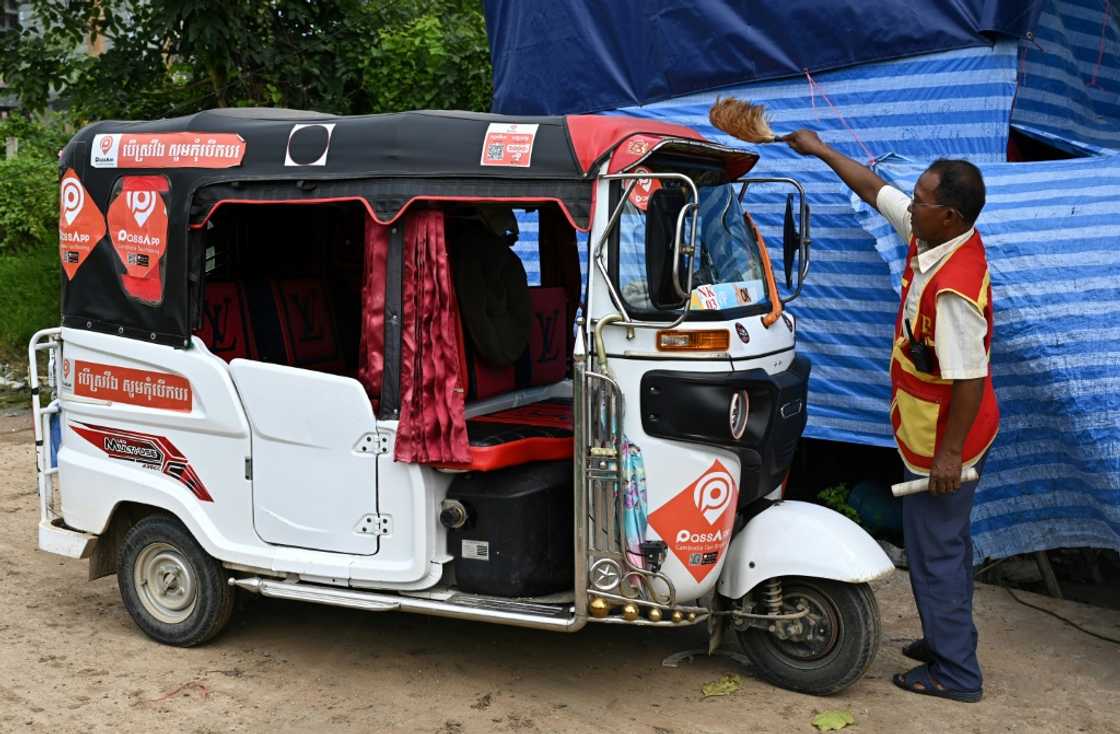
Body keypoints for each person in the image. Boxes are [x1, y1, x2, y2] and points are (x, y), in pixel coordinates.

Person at [785, 129, 999, 703]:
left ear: (949, 215)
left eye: (922, 199)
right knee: (939, 544)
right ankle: (943, 642)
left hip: (944, 444)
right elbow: (875, 188)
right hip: (926, 429)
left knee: (936, 555)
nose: (911, 202)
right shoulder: (932, 239)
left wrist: (949, 456)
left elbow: (970, 380)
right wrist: (824, 152)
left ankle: (955, 672)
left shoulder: (953, 291)